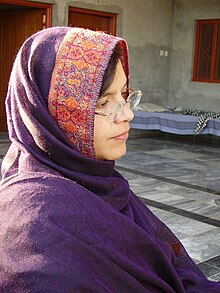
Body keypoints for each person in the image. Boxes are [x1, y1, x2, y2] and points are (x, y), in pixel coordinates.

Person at [0, 27, 219, 293]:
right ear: (53, 115)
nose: (127, 114)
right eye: (103, 102)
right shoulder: (38, 226)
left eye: (125, 95)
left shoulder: (99, 182)